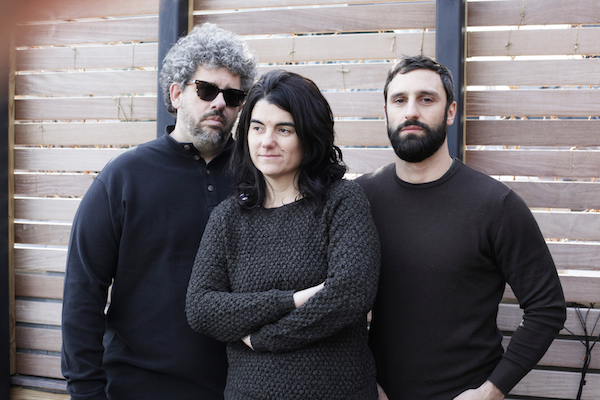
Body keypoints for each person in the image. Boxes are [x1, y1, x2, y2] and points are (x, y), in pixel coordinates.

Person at [61, 23, 257, 400]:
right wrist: (86, 392)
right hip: (138, 386)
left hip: (241, 387)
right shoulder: (123, 178)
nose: (219, 103)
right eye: (206, 89)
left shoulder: (259, 176)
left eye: (233, 96)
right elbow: (83, 293)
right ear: (176, 92)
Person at [356, 55, 566, 400]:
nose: (411, 111)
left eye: (426, 99)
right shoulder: (360, 199)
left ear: (450, 112)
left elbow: (547, 307)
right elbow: (338, 304)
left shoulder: (495, 205)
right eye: (399, 100)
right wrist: (364, 380)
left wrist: (491, 391)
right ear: (386, 113)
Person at [185, 69, 381, 400]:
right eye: (257, 128)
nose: (267, 141)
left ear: (309, 135)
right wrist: (292, 299)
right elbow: (201, 308)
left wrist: (264, 338)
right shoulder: (229, 218)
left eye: (284, 129)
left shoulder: (342, 201)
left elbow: (349, 294)